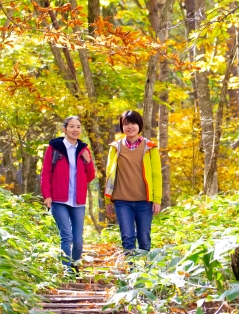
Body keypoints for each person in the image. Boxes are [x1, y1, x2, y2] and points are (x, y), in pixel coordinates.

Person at [40, 116, 96, 272]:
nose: (75, 130)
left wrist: (88, 161)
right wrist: (47, 196)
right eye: (72, 126)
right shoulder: (54, 148)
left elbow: (90, 177)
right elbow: (46, 173)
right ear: (64, 129)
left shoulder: (84, 150)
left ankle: (75, 268)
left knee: (78, 241)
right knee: (67, 236)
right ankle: (67, 271)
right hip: (59, 200)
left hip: (77, 201)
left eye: (78, 127)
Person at [104, 110, 162, 255]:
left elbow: (156, 175)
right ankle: (131, 271)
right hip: (122, 201)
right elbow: (110, 175)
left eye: (133, 123)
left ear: (139, 125)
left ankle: (143, 273)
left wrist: (157, 200)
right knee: (128, 238)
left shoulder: (150, 147)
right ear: (122, 127)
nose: (130, 127)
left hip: (144, 201)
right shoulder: (115, 147)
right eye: (126, 124)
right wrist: (108, 200)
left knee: (144, 239)